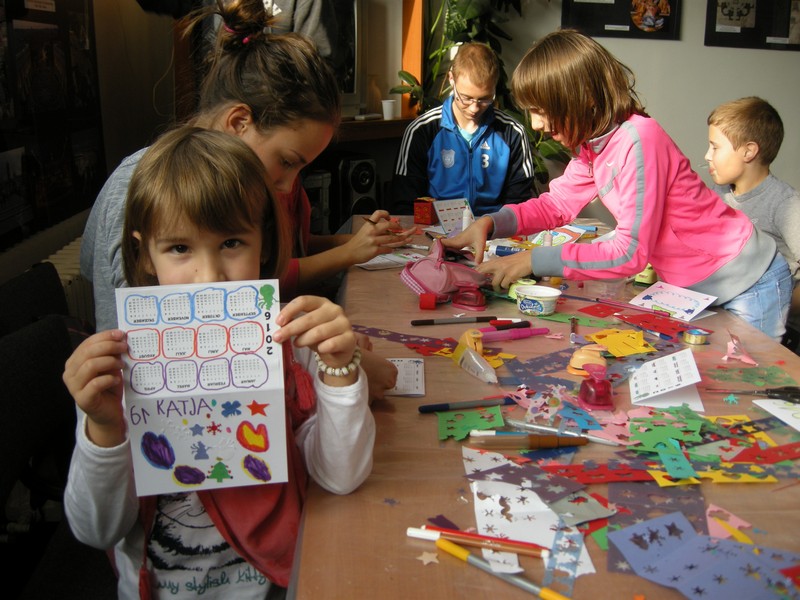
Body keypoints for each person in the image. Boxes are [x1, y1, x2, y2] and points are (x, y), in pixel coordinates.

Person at [63, 126, 375, 599]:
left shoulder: (291, 346)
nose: (208, 277)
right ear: (144, 255)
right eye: (179, 248)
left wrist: (340, 372)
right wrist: (105, 429)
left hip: (277, 585)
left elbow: (340, 476)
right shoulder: (119, 372)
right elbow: (96, 530)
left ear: (263, 242)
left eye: (231, 243)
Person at [81, 0, 402, 397]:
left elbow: (243, 306)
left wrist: (324, 351)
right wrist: (342, 370)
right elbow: (145, 359)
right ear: (238, 122)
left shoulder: (245, 184)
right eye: (287, 162)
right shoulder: (140, 187)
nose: (287, 185)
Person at [443, 29, 792, 341]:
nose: (536, 124)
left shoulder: (639, 139)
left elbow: (629, 253)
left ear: (583, 98)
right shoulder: (594, 145)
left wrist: (534, 259)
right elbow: (556, 205)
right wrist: (490, 223)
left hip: (749, 280)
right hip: (699, 287)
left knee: (751, 384)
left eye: (542, 109)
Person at [390, 41, 536, 217]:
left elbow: (519, 205)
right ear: (451, 79)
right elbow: (405, 204)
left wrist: (491, 226)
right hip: (436, 227)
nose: (474, 108)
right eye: (466, 98)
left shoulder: (513, 133)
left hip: (494, 227)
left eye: (484, 99)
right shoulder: (421, 131)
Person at [705, 96, 800, 344]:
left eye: (715, 147)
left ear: (748, 151)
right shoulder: (720, 193)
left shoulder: (785, 204)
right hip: (724, 306)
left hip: (768, 319)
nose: (707, 156)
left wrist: (781, 299)